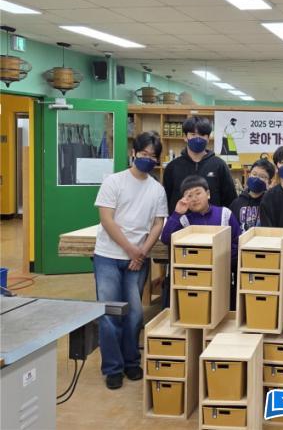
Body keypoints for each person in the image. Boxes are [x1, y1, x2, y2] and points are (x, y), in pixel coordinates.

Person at [93, 132, 168, 390]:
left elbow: (157, 224)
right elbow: (107, 219)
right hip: (108, 256)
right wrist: (131, 250)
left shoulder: (157, 189)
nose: (148, 159)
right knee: (110, 313)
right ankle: (113, 368)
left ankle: (131, 362)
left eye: (153, 156)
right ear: (133, 153)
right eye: (144, 154)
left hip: (138, 259)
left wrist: (141, 252)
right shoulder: (114, 182)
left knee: (135, 314)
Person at [161, 175, 240, 309]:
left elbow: (237, 242)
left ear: (208, 194)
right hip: (194, 275)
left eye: (198, 193)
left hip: (222, 273)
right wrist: (177, 213)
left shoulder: (225, 214)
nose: (194, 198)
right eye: (189, 196)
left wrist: (221, 259)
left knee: (221, 308)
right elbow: (166, 238)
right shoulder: (183, 220)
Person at [163, 116, 237, 214]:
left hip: (212, 223)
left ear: (208, 138)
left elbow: (230, 200)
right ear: (185, 137)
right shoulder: (172, 167)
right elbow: (166, 201)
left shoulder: (219, 165)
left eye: (202, 135)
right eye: (193, 134)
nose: (197, 138)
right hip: (180, 222)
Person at [229, 158, 276, 234]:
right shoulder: (236, 203)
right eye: (254, 174)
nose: (256, 178)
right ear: (249, 175)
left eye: (262, 176)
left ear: (269, 182)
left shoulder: (271, 204)